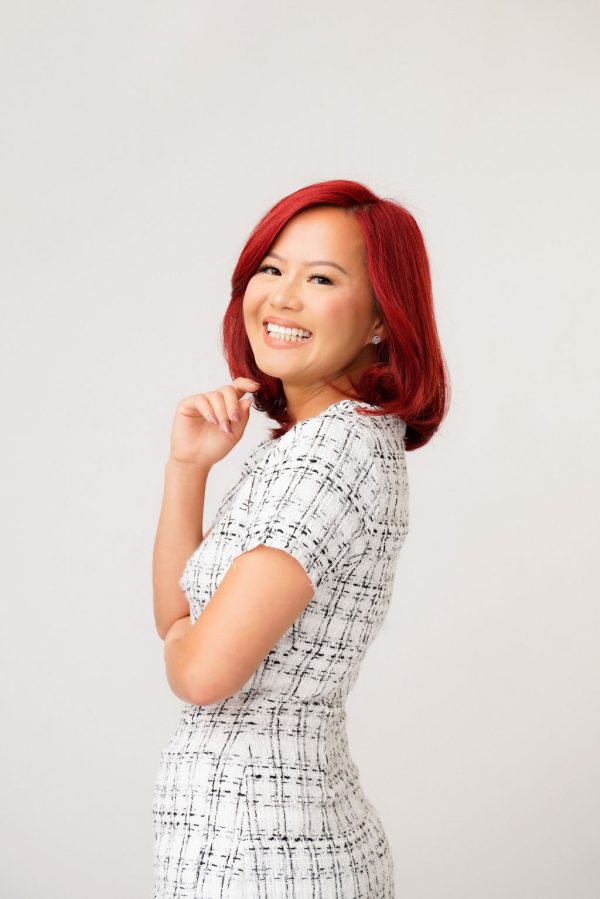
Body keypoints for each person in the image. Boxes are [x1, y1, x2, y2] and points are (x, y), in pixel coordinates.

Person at [151, 179, 449, 897]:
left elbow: (201, 673)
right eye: (272, 269)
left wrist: (188, 642)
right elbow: (177, 619)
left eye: (321, 278)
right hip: (265, 842)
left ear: (381, 319)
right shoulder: (313, 445)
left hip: (265, 858)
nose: (282, 298)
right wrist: (188, 469)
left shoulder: (328, 457)